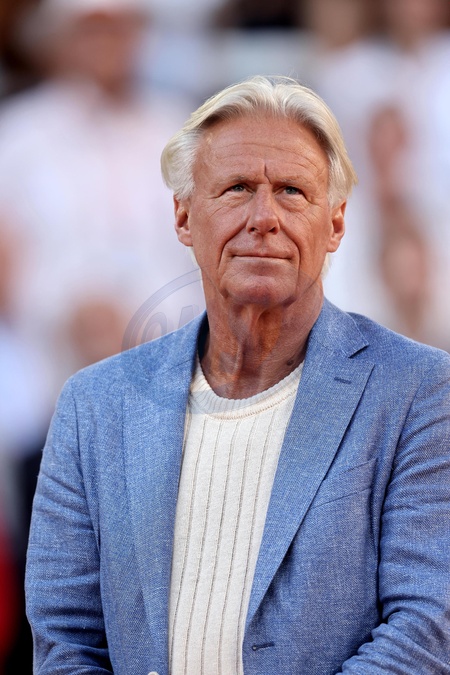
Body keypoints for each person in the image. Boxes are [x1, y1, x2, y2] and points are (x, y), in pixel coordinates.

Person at [25, 75, 450, 674]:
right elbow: (64, 637)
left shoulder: (419, 392)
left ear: (335, 224)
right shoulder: (94, 407)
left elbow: (426, 624)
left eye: (292, 192)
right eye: (236, 188)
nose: (263, 217)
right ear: (183, 216)